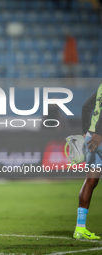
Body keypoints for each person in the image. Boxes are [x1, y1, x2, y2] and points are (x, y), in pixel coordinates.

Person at [73, 85, 102, 240]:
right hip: (99, 137)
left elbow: (85, 107)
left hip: (91, 138)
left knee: (91, 180)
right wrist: (99, 133)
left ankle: (80, 228)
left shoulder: (101, 87)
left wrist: (86, 132)